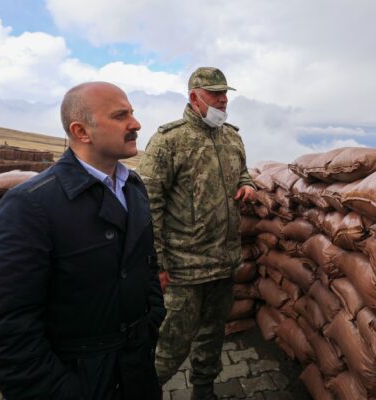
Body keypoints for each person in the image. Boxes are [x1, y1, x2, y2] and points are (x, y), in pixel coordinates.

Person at [0, 82, 165, 400]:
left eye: (132, 112)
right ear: (81, 131)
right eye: (121, 116)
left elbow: (146, 262)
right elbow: (4, 331)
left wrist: (153, 319)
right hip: (81, 379)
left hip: (137, 369)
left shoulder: (133, 186)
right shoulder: (30, 205)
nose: (136, 123)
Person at [137, 67, 256, 400]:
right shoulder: (169, 141)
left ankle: (203, 391)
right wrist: (157, 264)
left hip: (224, 262)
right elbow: (148, 206)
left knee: (212, 335)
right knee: (170, 345)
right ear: (194, 97)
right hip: (183, 268)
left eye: (225, 93)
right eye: (215, 93)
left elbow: (243, 173)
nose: (223, 99)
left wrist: (247, 186)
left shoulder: (232, 136)